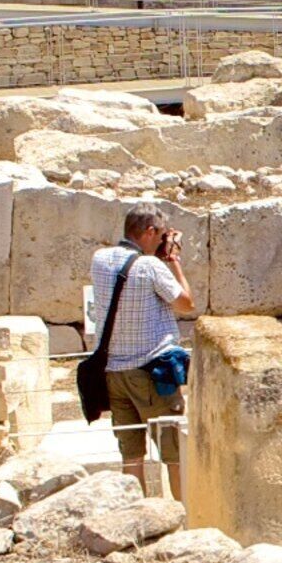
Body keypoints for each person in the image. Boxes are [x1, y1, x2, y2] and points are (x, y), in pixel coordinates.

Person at [85, 207, 194, 485]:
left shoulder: (100, 260)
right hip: (151, 374)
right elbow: (186, 303)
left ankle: (138, 516)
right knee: (175, 456)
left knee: (131, 457)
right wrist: (174, 261)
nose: (161, 240)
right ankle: (185, 522)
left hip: (114, 375)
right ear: (149, 232)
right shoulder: (151, 266)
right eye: (160, 234)